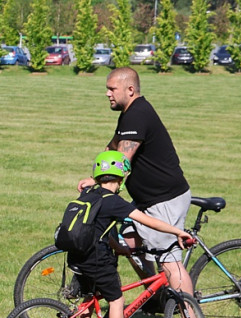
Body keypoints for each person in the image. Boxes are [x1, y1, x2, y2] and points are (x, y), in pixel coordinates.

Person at [67, 151, 191, 318]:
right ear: (121, 178)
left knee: (89, 297)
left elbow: (102, 229)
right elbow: (149, 221)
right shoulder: (114, 202)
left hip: (79, 255)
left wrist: (120, 249)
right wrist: (177, 232)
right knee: (116, 300)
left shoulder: (91, 194)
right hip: (98, 260)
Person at [78, 66, 193, 298]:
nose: (107, 94)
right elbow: (112, 147)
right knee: (128, 243)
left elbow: (121, 160)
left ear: (130, 89)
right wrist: (97, 172)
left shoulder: (138, 114)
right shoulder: (130, 113)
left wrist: (98, 182)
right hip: (146, 200)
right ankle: (155, 298)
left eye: (112, 89)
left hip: (164, 199)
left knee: (169, 261)